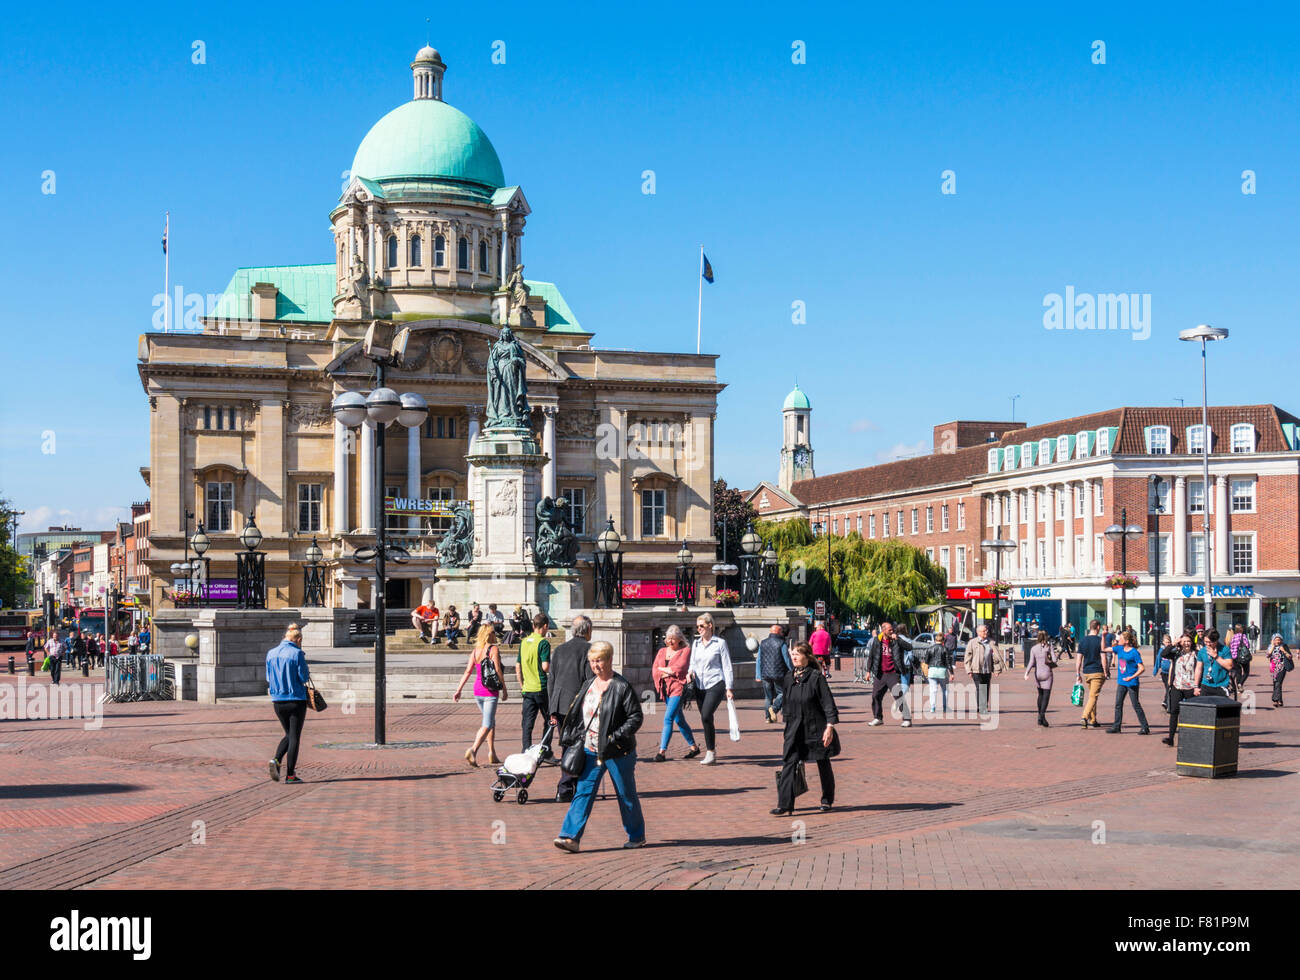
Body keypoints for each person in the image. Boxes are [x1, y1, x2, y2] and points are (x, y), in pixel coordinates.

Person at [553, 641, 645, 853]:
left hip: (617, 751)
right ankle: (570, 837)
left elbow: (635, 717)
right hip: (590, 749)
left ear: (609, 660)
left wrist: (614, 736)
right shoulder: (588, 684)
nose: (595, 665)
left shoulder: (621, 686)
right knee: (583, 792)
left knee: (625, 794)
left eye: (599, 661)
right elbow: (578, 713)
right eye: (592, 661)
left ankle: (636, 835)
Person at [772, 641, 839, 815]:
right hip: (794, 728)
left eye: (797, 654)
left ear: (807, 657)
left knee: (822, 762)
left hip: (815, 727)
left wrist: (829, 726)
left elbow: (828, 704)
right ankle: (785, 804)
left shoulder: (816, 678)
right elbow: (786, 701)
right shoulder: (789, 677)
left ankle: (827, 800)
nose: (794, 657)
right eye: (792, 653)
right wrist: (785, 720)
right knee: (788, 762)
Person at [548, 615, 595, 802]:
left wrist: (551, 709)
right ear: (587, 630)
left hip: (559, 704)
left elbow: (551, 680)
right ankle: (566, 786)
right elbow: (589, 680)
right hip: (576, 706)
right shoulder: (588, 650)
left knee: (568, 744)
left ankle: (570, 785)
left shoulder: (559, 649)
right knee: (576, 747)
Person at [452, 625, 508, 767]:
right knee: (487, 723)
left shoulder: (476, 651)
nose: (496, 635)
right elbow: (497, 669)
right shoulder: (493, 649)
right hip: (490, 691)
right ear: (489, 634)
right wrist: (504, 688)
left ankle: (492, 753)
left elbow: (467, 671)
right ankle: (473, 750)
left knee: (490, 721)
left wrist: (458, 689)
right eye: (494, 632)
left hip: (477, 690)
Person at [266, 623, 312, 783]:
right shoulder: (297, 653)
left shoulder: (270, 653)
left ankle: (277, 760)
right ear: (298, 639)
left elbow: (268, 678)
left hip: (277, 700)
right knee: (294, 737)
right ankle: (290, 775)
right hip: (295, 699)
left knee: (289, 734)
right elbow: (304, 677)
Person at [686, 612, 734, 765]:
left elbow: (727, 666)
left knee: (706, 715)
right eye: (697, 626)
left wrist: (729, 687)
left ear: (710, 626)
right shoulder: (696, 643)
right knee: (706, 719)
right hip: (700, 684)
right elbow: (692, 662)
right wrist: (690, 672)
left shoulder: (719, 643)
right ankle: (711, 751)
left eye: (701, 626)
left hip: (716, 682)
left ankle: (710, 752)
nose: (698, 629)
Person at [649, 625, 696, 761]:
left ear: (679, 639)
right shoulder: (662, 651)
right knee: (679, 720)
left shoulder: (685, 651)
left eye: (673, 639)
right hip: (665, 689)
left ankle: (661, 752)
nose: (670, 641)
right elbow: (655, 669)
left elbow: (680, 668)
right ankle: (694, 747)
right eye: (668, 639)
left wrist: (665, 670)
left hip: (678, 688)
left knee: (668, 718)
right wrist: (667, 671)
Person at [865, 620, 913, 727]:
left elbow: (909, 647)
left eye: (892, 629)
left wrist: (898, 640)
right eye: (889, 630)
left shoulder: (896, 640)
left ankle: (907, 719)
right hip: (880, 674)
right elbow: (871, 656)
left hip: (893, 673)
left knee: (898, 695)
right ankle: (878, 718)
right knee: (875, 696)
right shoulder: (877, 641)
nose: (892, 631)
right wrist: (868, 671)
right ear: (883, 630)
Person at [516, 612, 552, 751]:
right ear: (544, 626)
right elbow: (545, 667)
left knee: (527, 723)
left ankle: (526, 749)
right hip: (541, 687)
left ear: (533, 625)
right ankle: (545, 749)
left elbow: (518, 666)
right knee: (550, 720)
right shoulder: (543, 643)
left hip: (528, 689)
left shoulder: (524, 641)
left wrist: (522, 684)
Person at [1107, 627, 1150, 734]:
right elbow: (1104, 648)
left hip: (1131, 683)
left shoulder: (1134, 652)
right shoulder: (1119, 649)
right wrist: (1103, 636)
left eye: (1120, 638)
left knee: (1135, 705)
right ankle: (1117, 726)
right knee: (1118, 704)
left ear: (1126, 641)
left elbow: (1142, 668)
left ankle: (1145, 727)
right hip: (1121, 682)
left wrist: (1131, 677)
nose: (1118, 640)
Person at [1162, 634, 1201, 745]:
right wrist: (1173, 643)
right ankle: (1171, 738)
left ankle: (1192, 738)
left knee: (1191, 713)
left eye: (1188, 641)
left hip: (1191, 687)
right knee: (1174, 712)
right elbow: (1163, 654)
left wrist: (1197, 687)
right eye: (1184, 641)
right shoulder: (1176, 653)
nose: (1186, 643)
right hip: (1177, 686)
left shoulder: (1196, 654)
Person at [962, 623, 1004, 718]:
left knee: (986, 688)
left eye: (986, 630)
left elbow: (995, 658)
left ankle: (982, 706)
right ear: (978, 632)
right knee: (980, 688)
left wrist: (996, 670)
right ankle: (982, 708)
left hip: (987, 670)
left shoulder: (991, 642)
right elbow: (967, 657)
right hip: (976, 670)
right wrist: (969, 670)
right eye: (984, 631)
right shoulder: (972, 642)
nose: (986, 632)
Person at [1076, 620, 1109, 729]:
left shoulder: (1082, 641)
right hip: (1097, 671)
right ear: (1098, 627)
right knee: (1093, 696)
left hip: (1087, 672)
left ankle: (1093, 720)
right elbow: (1103, 658)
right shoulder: (1100, 641)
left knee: (1092, 696)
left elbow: (1079, 659)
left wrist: (1077, 673)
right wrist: (1106, 671)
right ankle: (1084, 717)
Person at [757, 623, 793, 724]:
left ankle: (768, 718)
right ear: (778, 632)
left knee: (768, 697)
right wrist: (793, 670)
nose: (782, 633)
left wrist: (758, 675)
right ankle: (774, 708)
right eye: (781, 631)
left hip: (765, 674)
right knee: (782, 693)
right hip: (779, 674)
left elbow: (759, 660)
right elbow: (787, 659)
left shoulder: (763, 643)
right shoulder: (781, 643)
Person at [1025, 630, 1056, 727]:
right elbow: (1055, 660)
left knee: (1040, 695)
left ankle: (1039, 715)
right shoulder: (1049, 647)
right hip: (1047, 673)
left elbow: (1031, 662)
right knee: (1046, 696)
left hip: (1037, 674)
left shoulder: (1034, 648)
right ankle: (1042, 715)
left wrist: (1026, 673)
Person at [1195, 629, 1233, 699]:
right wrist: (1196, 686)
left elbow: (1229, 666)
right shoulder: (1202, 651)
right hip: (1206, 685)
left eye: (1210, 642)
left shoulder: (1225, 650)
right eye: (1206, 642)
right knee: (1205, 708)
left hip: (1221, 685)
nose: (1208, 644)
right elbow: (1198, 668)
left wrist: (1216, 656)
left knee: (1221, 709)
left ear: (1216, 640)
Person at [924, 631, 955, 714]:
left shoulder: (930, 649)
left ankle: (932, 707)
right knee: (945, 690)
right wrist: (951, 673)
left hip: (932, 671)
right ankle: (945, 707)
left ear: (935, 640)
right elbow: (949, 663)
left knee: (933, 690)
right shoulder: (945, 649)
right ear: (943, 641)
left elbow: (926, 661)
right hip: (942, 671)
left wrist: (925, 671)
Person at [1266, 634, 1293, 708]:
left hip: (1282, 667)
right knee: (1276, 684)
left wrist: (1284, 651)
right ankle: (1280, 701)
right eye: (1276, 639)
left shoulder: (1284, 646)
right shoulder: (1270, 646)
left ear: (1281, 640)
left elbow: (1290, 657)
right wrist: (1272, 647)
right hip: (1274, 668)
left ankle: (1275, 699)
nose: (1277, 641)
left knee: (1278, 683)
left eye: (1279, 639)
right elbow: (1267, 655)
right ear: (1273, 640)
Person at [1228, 624, 1252, 698]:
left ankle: (1238, 687)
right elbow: (1247, 645)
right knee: (1246, 672)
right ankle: (1240, 684)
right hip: (1243, 656)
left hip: (1234, 657)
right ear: (1241, 629)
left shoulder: (1233, 637)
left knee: (1238, 672)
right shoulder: (1243, 636)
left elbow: (1231, 646)